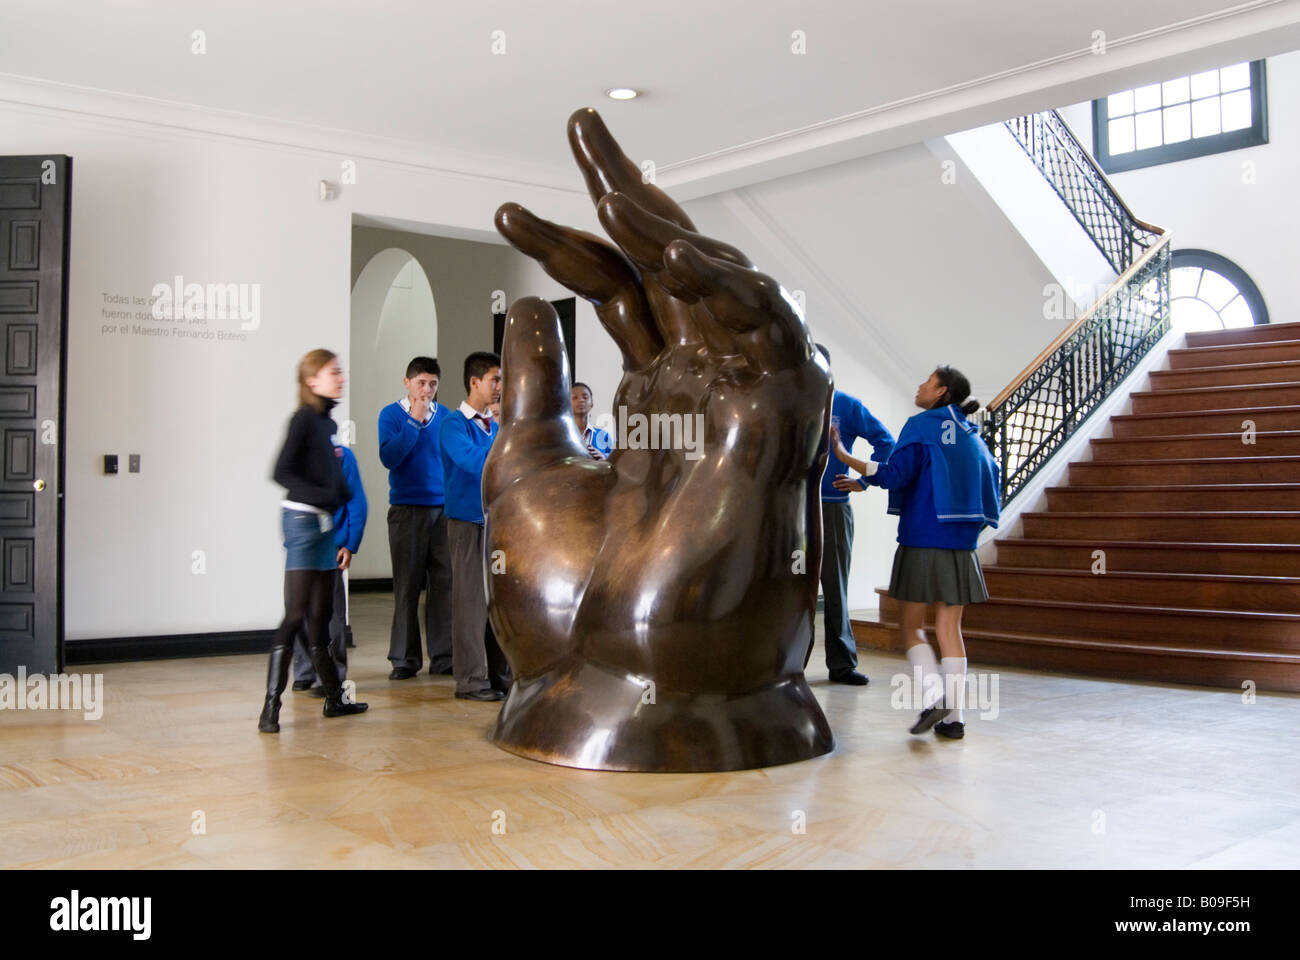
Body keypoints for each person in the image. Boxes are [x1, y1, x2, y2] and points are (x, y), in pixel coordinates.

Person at [831, 364, 1000, 740]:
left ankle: (935, 695)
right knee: (949, 628)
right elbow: (987, 481)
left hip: (923, 539)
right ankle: (954, 719)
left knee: (911, 628)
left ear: (941, 392)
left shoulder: (921, 426)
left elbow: (894, 475)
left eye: (928, 381)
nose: (920, 385)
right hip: (961, 546)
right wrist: (862, 483)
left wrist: (844, 453)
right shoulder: (972, 434)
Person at [259, 349, 369, 733]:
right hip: (303, 526)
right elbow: (282, 470)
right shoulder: (304, 419)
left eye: (340, 372)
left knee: (321, 618)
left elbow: (331, 478)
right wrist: (323, 496)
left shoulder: (325, 422)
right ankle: (270, 707)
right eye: (332, 372)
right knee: (296, 615)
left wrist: (334, 495)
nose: (340, 377)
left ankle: (335, 699)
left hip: (323, 527)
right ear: (311, 380)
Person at [814, 344, 895, 686]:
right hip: (792, 512)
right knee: (788, 591)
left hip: (832, 508)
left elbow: (886, 443)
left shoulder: (846, 406)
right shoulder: (788, 404)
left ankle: (842, 665)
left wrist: (863, 480)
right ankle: (785, 668)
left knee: (834, 588)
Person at [439, 352, 511, 701]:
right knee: (470, 602)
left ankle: (499, 675)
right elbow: (472, 462)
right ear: (474, 382)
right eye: (495, 379)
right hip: (466, 523)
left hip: (495, 523)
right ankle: (470, 679)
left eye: (501, 380)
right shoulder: (453, 424)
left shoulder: (496, 427)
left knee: (497, 601)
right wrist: (506, 447)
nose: (499, 386)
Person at [378, 357, 454, 680]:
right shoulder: (391, 415)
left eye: (433, 384)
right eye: (421, 383)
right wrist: (414, 421)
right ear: (407, 382)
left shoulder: (447, 416)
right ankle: (405, 659)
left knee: (444, 585)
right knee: (407, 585)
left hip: (443, 511)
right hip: (406, 510)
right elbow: (389, 457)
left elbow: (453, 459)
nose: (427, 390)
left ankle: (444, 656)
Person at [290, 443, 366, 697]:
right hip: (302, 546)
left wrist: (350, 543)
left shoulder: (343, 456)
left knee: (331, 615)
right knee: (298, 610)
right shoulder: (298, 455)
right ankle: (305, 672)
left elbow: (357, 501)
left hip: (331, 546)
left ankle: (332, 675)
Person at [571, 382, 612, 460]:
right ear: (567, 404)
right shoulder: (561, 437)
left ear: (592, 404)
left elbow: (612, 467)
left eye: (585, 397)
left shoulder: (603, 436)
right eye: (575, 397)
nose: (581, 400)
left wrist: (604, 460)